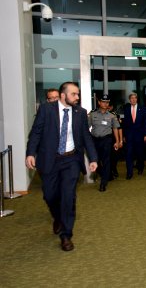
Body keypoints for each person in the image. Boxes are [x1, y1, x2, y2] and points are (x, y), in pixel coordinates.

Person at [25, 81, 98, 252]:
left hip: (71, 160)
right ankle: (57, 217)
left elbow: (86, 137)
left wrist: (93, 158)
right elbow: (35, 132)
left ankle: (66, 235)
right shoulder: (46, 110)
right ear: (63, 95)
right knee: (50, 195)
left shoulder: (81, 113)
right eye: (74, 94)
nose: (77, 97)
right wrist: (30, 153)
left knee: (68, 196)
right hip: (49, 159)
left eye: (78, 94)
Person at [88, 94, 120, 192]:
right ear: (99, 102)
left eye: (107, 102)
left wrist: (118, 141)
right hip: (94, 140)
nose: (105, 104)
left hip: (106, 140)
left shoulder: (112, 115)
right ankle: (106, 175)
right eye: (103, 102)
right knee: (95, 160)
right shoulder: (92, 114)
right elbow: (86, 127)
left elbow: (115, 128)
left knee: (106, 161)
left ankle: (103, 183)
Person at [123, 92, 146, 179]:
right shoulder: (126, 109)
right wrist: (124, 135)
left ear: (137, 99)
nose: (133, 99)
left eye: (135, 98)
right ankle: (129, 172)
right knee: (128, 154)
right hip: (129, 135)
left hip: (140, 135)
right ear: (129, 100)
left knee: (140, 153)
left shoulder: (142, 108)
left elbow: (145, 123)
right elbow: (125, 123)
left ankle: (140, 167)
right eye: (132, 98)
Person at [108, 103, 123, 179]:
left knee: (115, 156)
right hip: (106, 138)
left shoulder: (115, 115)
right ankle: (109, 172)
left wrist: (120, 141)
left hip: (114, 139)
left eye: (109, 105)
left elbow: (119, 128)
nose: (108, 107)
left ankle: (114, 168)